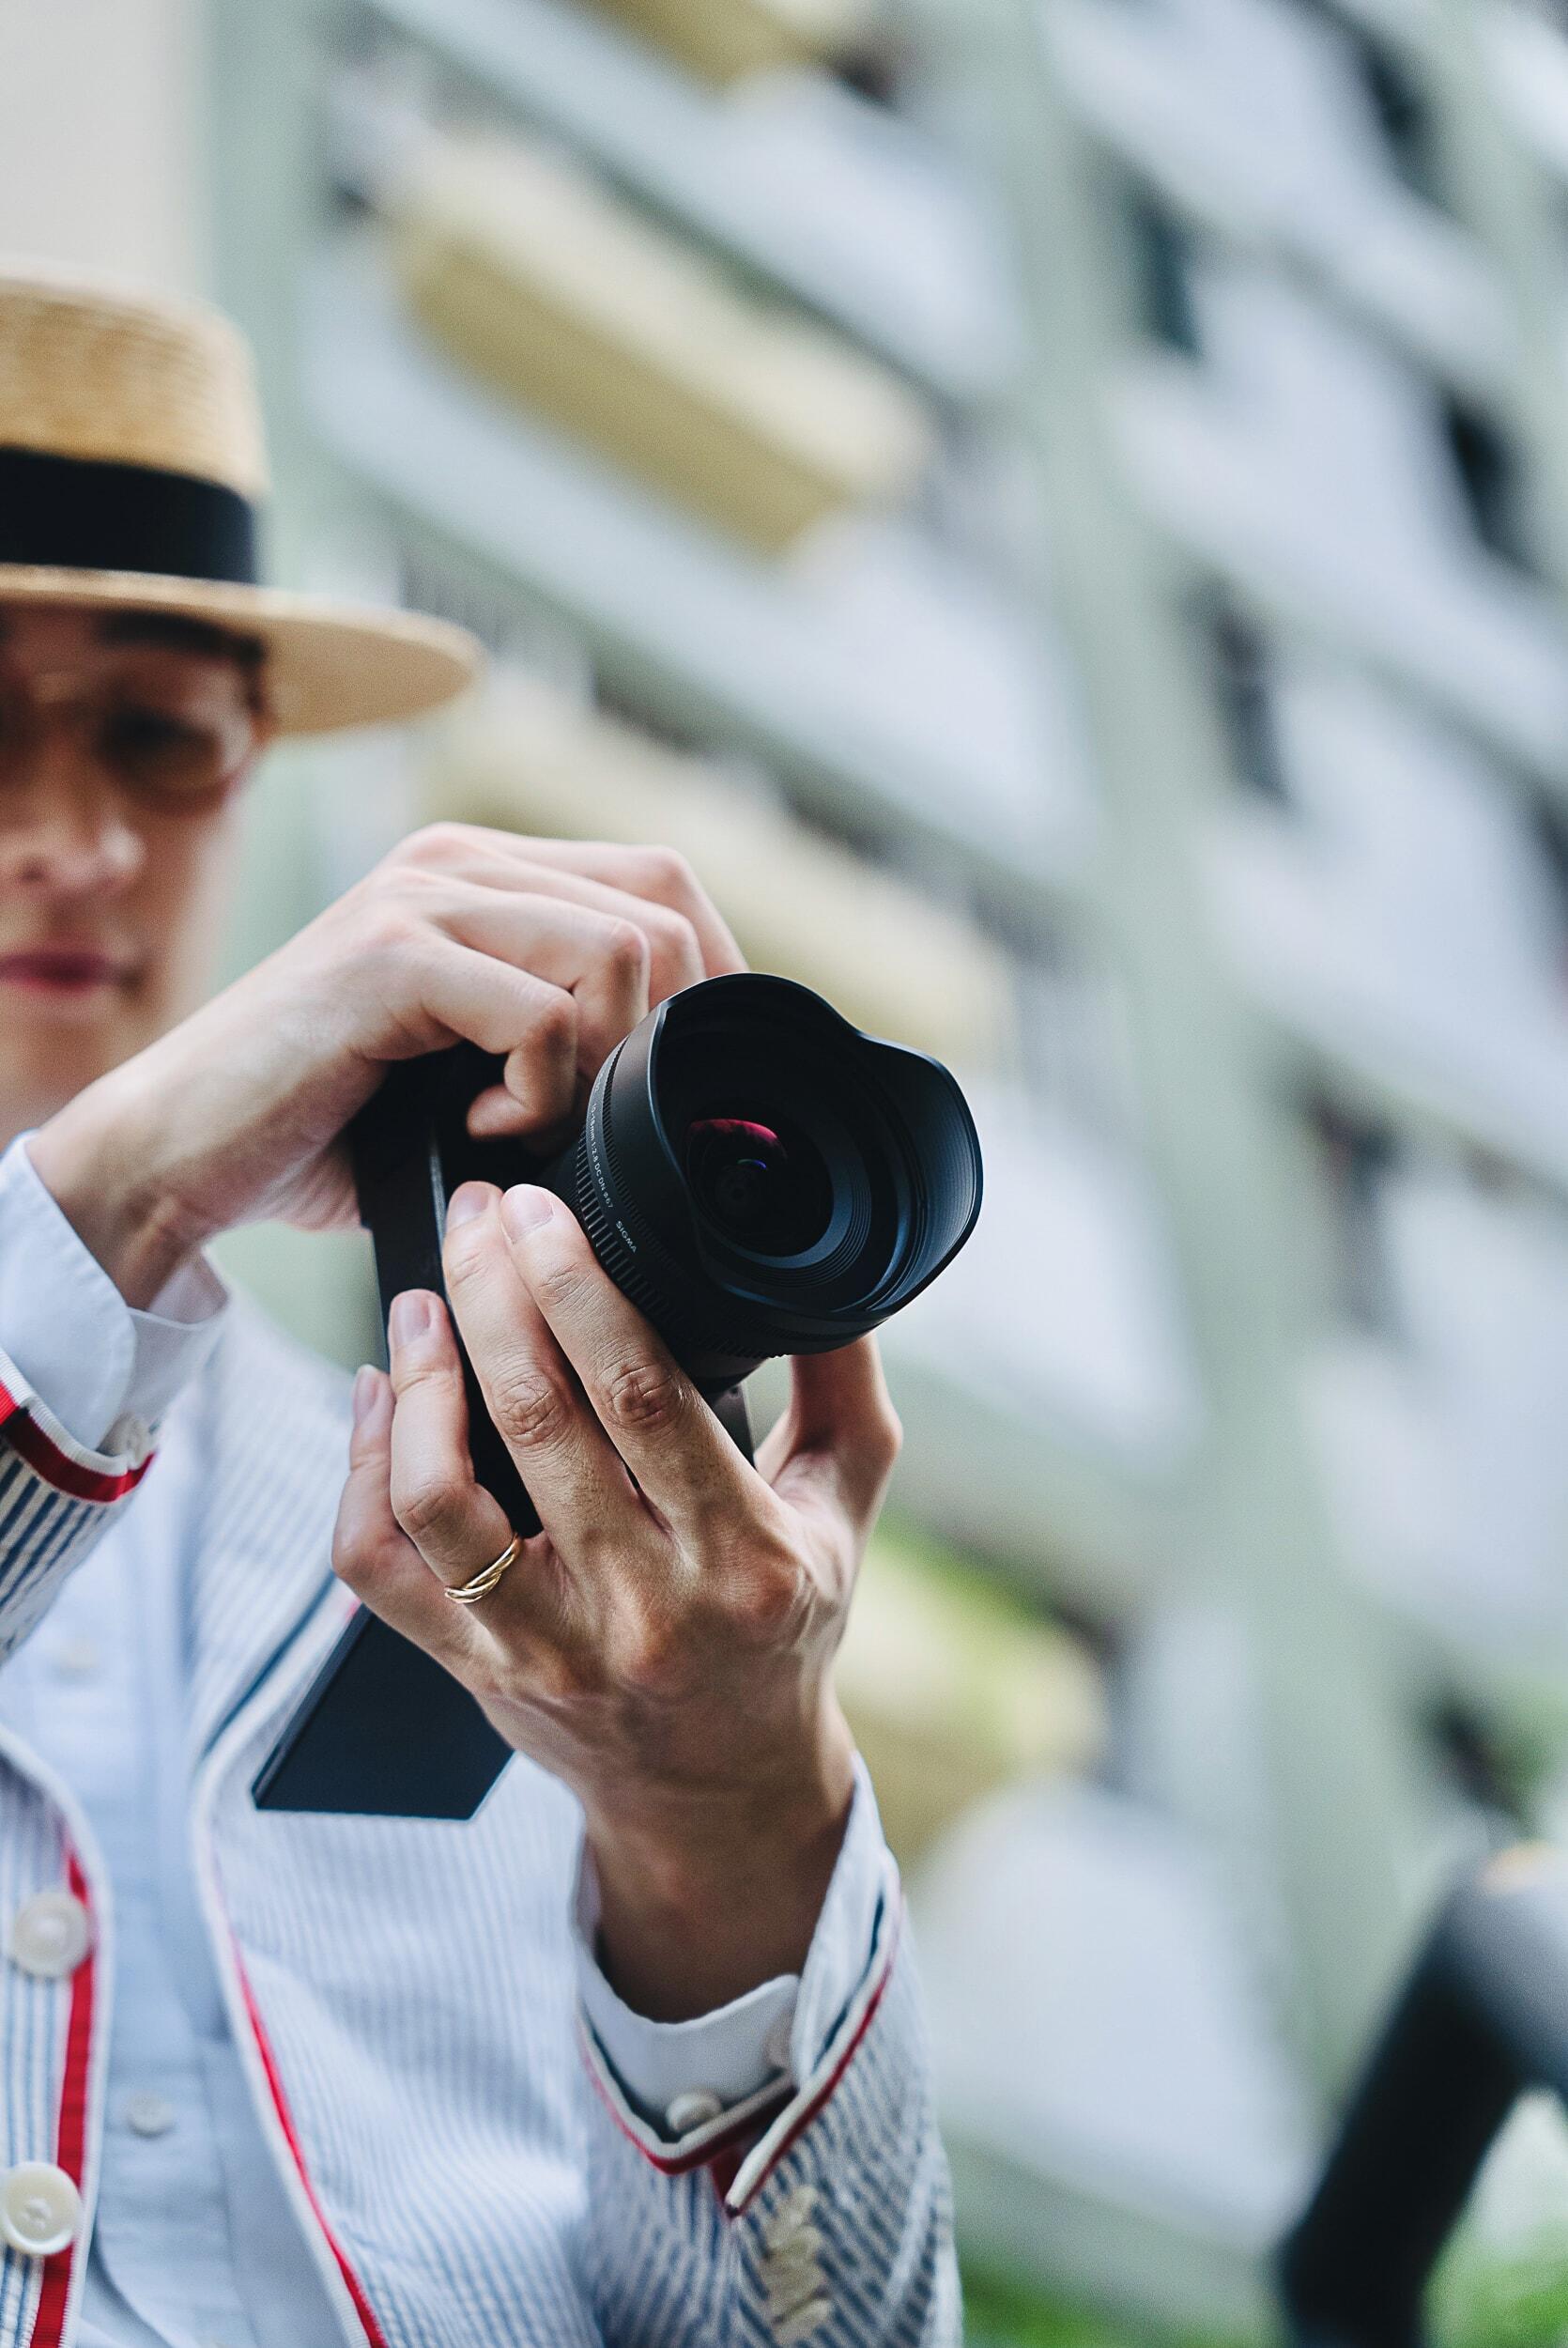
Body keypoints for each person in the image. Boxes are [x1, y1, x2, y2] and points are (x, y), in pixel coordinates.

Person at [0, 263, 959, 2348]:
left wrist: (730, 1822)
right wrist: (122, 1186)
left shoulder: (518, 1535)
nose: (71, 840)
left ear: (245, 771)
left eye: (155, 736)